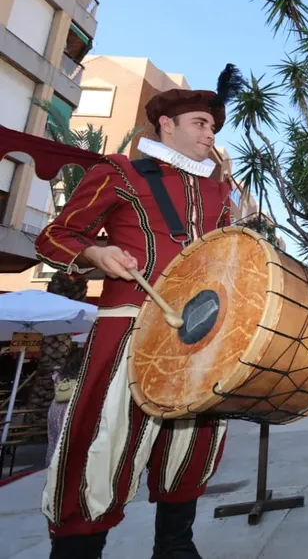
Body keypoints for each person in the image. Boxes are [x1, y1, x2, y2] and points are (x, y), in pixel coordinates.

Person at [35, 65, 243, 559]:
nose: (209, 133)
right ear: (166, 126)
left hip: (199, 335)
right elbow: (54, 235)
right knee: (102, 439)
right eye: (199, 123)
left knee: (194, 440)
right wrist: (96, 254)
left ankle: (175, 545)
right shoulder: (119, 172)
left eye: (213, 126)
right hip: (127, 325)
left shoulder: (220, 190)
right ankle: (78, 549)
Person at [46, 347, 83, 467]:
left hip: (57, 406)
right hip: (71, 406)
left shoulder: (60, 375)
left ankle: (53, 467)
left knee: (55, 439)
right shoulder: (84, 377)